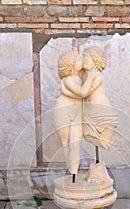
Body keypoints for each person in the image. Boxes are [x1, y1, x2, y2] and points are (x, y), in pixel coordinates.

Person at [54, 48, 98, 182]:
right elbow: (83, 93)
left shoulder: (81, 76)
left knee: (75, 143)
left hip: (77, 113)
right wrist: (90, 78)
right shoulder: (67, 80)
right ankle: (70, 170)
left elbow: (85, 92)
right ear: (72, 66)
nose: (81, 60)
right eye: (78, 59)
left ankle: (74, 171)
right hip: (63, 110)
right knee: (64, 142)